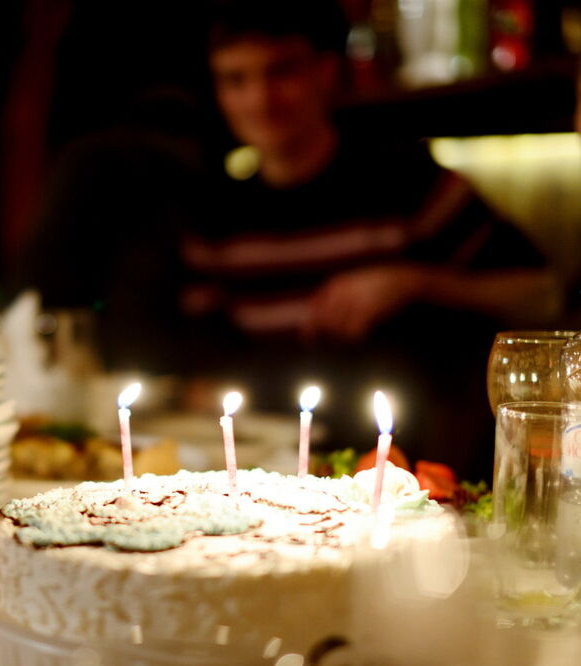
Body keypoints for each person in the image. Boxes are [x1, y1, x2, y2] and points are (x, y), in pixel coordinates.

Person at [179, 0, 560, 480]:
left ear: (325, 71)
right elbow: (202, 375)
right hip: (267, 482)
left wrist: (412, 282)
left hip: (415, 477)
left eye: (281, 72)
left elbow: (544, 293)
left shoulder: (407, 182)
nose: (260, 99)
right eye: (236, 80)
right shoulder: (213, 217)